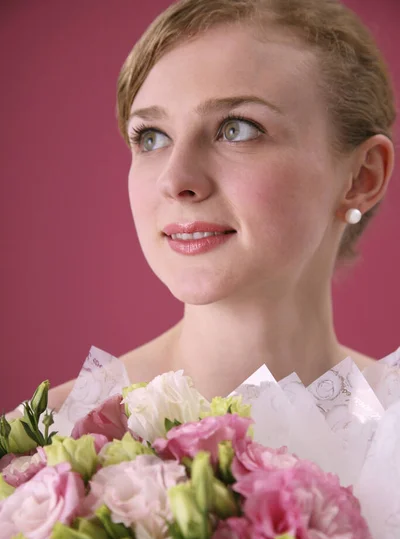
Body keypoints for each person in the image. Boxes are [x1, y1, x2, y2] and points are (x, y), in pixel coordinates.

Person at [11, 0, 397, 417]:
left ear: (362, 178)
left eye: (236, 129)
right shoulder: (39, 444)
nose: (176, 182)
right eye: (151, 137)